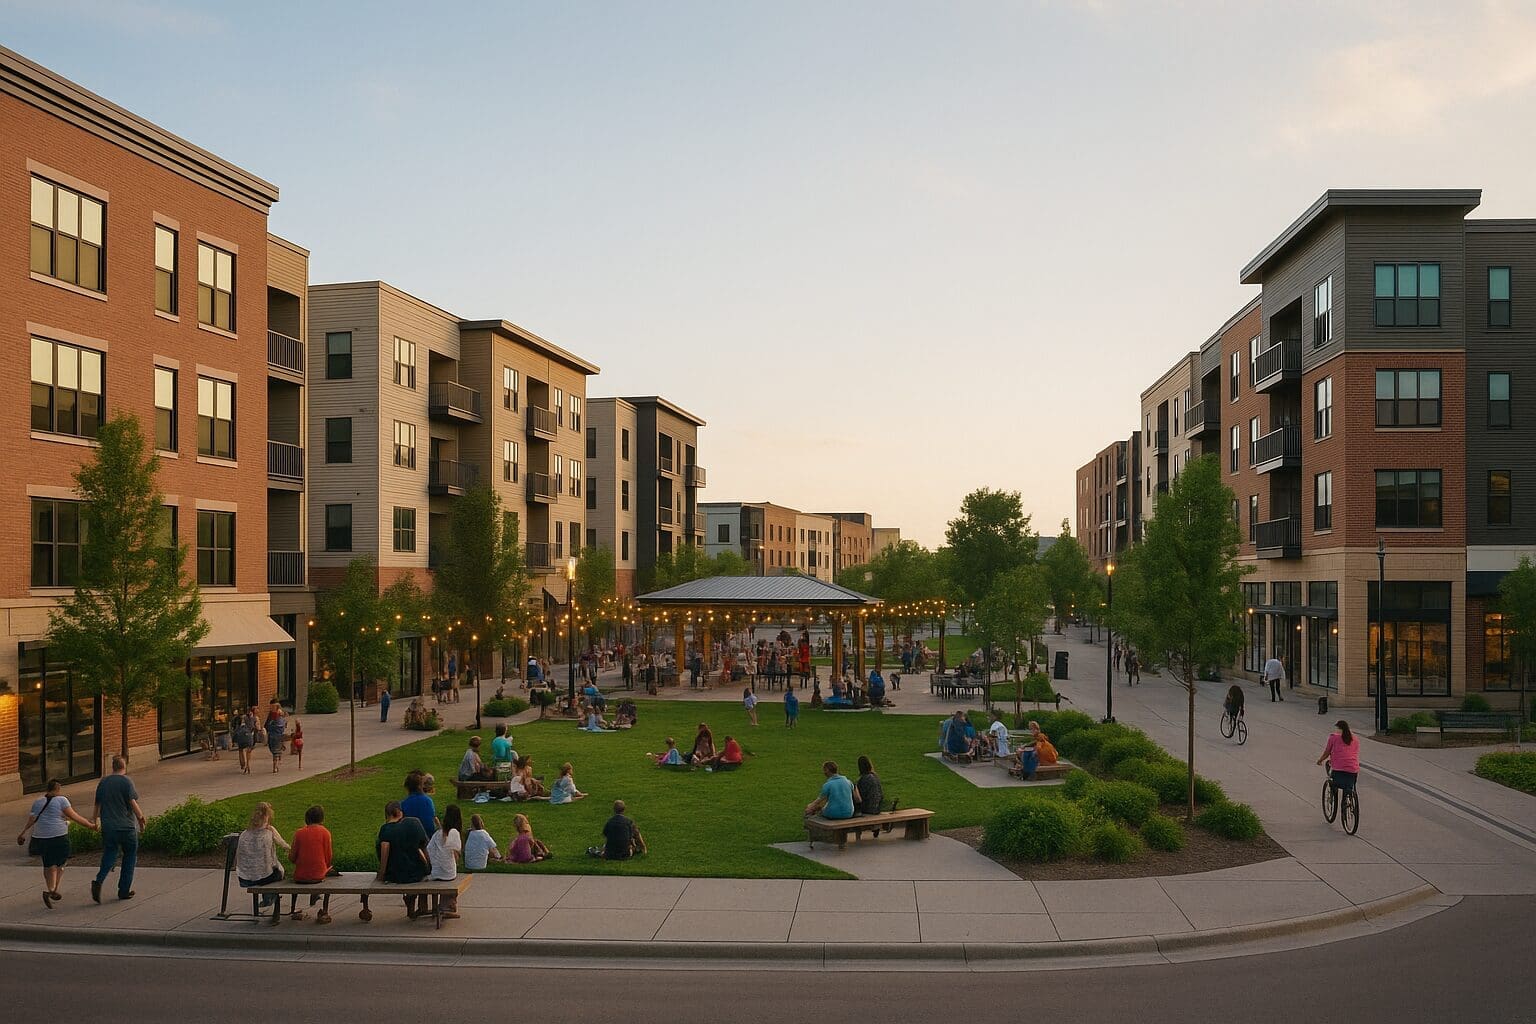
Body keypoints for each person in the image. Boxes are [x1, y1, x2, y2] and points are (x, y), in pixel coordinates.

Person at [17, 778, 98, 909]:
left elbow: (31, 820)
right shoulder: (62, 800)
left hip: (41, 837)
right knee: (61, 863)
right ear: (58, 789)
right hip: (59, 836)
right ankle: (53, 890)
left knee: (48, 864)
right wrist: (91, 826)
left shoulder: (38, 802)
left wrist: (23, 832)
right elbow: (74, 816)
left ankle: (50, 888)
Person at [91, 754, 145, 903]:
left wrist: (94, 821)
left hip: (109, 827)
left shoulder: (103, 782)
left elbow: (97, 804)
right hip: (126, 827)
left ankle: (99, 880)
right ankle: (124, 890)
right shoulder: (126, 782)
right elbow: (132, 802)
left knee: (109, 853)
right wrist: (141, 820)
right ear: (124, 767)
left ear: (112, 767)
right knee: (130, 857)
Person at [376, 800, 430, 918]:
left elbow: (385, 849)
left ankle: (411, 903)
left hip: (396, 874)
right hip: (417, 872)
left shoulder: (386, 829)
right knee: (421, 876)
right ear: (399, 812)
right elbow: (424, 848)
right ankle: (422, 906)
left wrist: (382, 873)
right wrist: (428, 866)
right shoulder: (415, 822)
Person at [236, 802, 290, 909]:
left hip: (245, 878)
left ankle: (268, 897)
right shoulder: (269, 831)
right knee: (277, 871)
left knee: (264, 868)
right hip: (266, 877)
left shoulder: (244, 834)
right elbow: (283, 844)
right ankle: (270, 897)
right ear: (267, 817)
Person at [427, 804, 464, 918]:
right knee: (452, 875)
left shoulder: (438, 834)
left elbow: (429, 849)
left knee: (442, 876)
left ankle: (440, 906)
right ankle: (447, 906)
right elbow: (456, 855)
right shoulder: (455, 834)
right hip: (448, 874)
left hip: (435, 873)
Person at [289, 804, 333, 884]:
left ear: (307, 819)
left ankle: (295, 897)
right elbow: (328, 858)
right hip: (319, 875)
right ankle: (317, 896)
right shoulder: (325, 833)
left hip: (300, 876)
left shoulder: (299, 833)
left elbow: (292, 857)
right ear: (322, 819)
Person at [1317, 720, 1360, 795]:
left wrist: (1320, 760)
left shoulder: (1334, 737)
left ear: (1339, 728)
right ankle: (1347, 801)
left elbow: (1327, 752)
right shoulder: (1355, 738)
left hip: (1339, 769)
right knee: (1349, 787)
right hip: (1353, 769)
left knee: (1334, 783)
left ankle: (1333, 796)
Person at [401, 770, 437, 840]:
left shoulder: (403, 804)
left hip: (410, 839)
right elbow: (431, 823)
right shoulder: (428, 801)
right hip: (427, 837)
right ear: (420, 786)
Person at [265, 700, 287, 773]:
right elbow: (267, 724)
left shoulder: (280, 715)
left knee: (275, 751)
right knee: (273, 750)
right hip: (271, 735)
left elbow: (282, 725)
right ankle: (277, 762)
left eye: (273, 706)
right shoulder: (271, 714)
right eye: (271, 706)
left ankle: (275, 766)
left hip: (277, 735)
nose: (271, 708)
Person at [232, 706, 256, 774]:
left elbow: (233, 728)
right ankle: (248, 764)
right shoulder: (250, 718)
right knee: (248, 750)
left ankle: (242, 764)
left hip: (240, 736)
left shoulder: (235, 718)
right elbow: (252, 727)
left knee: (240, 749)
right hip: (248, 735)